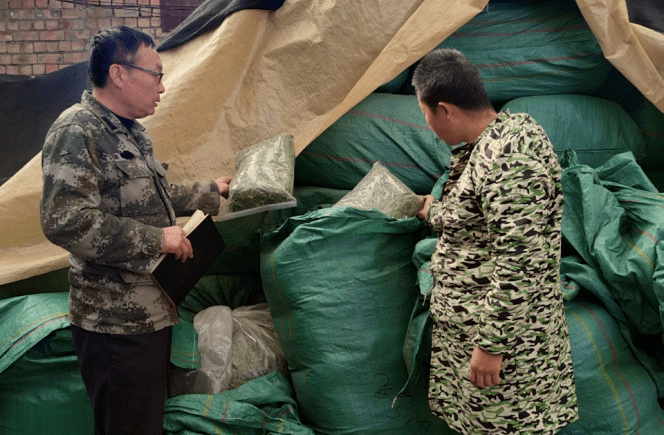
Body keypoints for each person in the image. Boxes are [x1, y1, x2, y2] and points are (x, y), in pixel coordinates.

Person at [40, 26, 231, 435]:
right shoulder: (79, 129)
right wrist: (158, 239)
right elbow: (65, 220)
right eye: (157, 74)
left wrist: (212, 192)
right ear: (119, 73)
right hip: (114, 324)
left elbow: (154, 196)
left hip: (148, 312)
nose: (163, 87)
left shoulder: (129, 132)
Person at [412, 48, 578, 434]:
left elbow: (522, 259)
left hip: (503, 348)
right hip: (475, 332)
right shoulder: (489, 145)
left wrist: (490, 346)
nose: (429, 126)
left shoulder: (511, 158)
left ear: (446, 110)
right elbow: (476, 219)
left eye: (426, 115)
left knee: (507, 427)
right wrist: (432, 211)